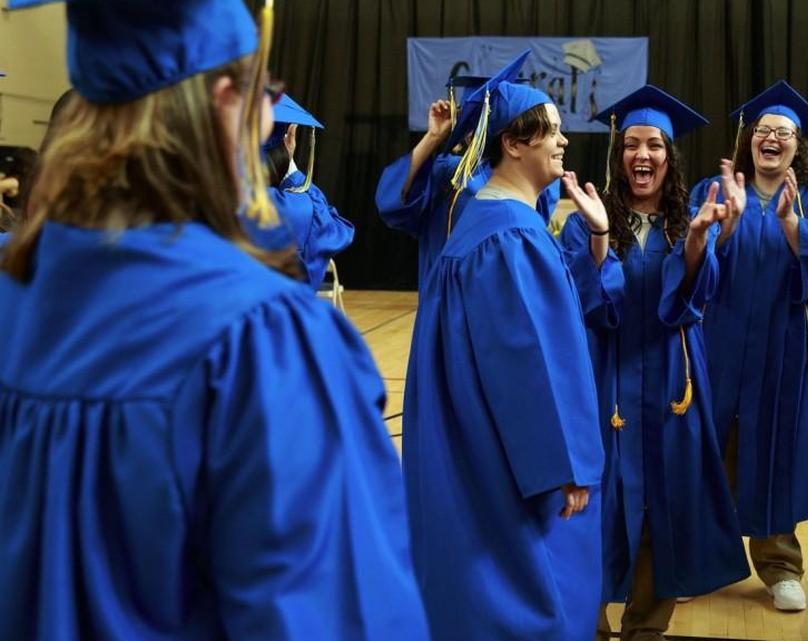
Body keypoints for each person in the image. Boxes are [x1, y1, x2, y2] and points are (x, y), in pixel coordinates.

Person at [0, 2, 429, 640]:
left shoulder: (16, 294)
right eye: (268, 93)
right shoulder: (259, 337)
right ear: (227, 101)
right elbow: (332, 615)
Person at [402, 52, 605, 641]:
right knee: (531, 591)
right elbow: (529, 367)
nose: (564, 142)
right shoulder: (509, 239)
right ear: (514, 144)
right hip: (516, 465)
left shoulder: (485, 223)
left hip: (471, 442)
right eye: (553, 132)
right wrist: (563, 467)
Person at [559, 85, 749, 641]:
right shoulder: (583, 222)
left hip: (674, 381)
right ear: (619, 156)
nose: (643, 155)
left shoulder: (689, 221)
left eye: (655, 146)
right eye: (632, 145)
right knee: (596, 504)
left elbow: (692, 304)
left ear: (670, 156)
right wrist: (598, 237)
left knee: (663, 509)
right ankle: (586, 623)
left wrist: (695, 245)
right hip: (605, 377)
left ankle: (648, 626)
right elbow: (588, 304)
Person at [689, 80, 808, 612]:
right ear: (748, 140)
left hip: (790, 345)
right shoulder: (713, 192)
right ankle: (699, 560)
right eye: (762, 130)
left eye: (783, 133)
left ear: (797, 145)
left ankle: (780, 564)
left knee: (777, 448)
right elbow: (692, 264)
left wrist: (791, 223)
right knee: (709, 452)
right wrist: (726, 226)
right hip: (721, 341)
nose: (771, 139)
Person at [375, 58, 560, 288]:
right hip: (444, 297)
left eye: (482, 122)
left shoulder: (528, 176)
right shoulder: (449, 172)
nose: (472, 131)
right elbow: (392, 202)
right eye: (468, 122)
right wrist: (433, 137)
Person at [263, 94, 354, 289]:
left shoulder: (212, 200)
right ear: (289, 135)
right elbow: (335, 230)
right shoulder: (296, 208)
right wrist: (290, 165)